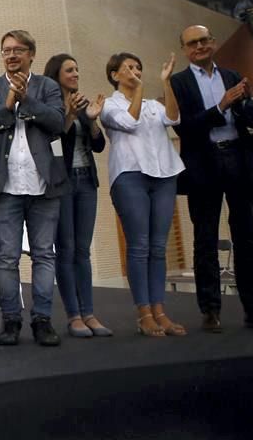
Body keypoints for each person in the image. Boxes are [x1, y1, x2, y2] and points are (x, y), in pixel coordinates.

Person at [170, 25, 253, 333]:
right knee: (204, 239)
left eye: (205, 40)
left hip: (239, 160)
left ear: (213, 42)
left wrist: (243, 101)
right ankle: (210, 310)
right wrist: (221, 106)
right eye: (193, 43)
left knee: (246, 239)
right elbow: (184, 128)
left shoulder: (231, 76)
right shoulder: (178, 83)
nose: (200, 46)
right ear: (185, 49)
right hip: (204, 164)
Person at [0, 30, 66, 347]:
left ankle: (42, 321)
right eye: (6, 50)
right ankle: (11, 321)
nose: (11, 55)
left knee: (43, 256)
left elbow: (59, 122)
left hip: (43, 185)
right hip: (5, 186)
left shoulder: (47, 86)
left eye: (18, 50)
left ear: (31, 54)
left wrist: (27, 101)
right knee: (7, 258)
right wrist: (7, 106)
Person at [100, 52, 186, 337]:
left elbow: (173, 117)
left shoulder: (152, 103)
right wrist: (137, 90)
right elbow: (130, 122)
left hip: (163, 174)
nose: (135, 71)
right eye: (128, 68)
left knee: (158, 247)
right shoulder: (109, 105)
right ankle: (144, 314)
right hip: (130, 175)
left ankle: (160, 312)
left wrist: (167, 82)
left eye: (138, 67)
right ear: (115, 75)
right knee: (139, 246)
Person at [42, 54, 112, 339]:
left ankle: (89, 312)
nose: (76, 74)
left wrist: (93, 121)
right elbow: (55, 141)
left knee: (83, 251)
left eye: (77, 69)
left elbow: (97, 146)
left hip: (87, 181)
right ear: (56, 74)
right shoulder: (50, 106)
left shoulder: (83, 104)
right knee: (66, 249)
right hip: (63, 182)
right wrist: (69, 114)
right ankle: (74, 316)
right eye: (70, 70)